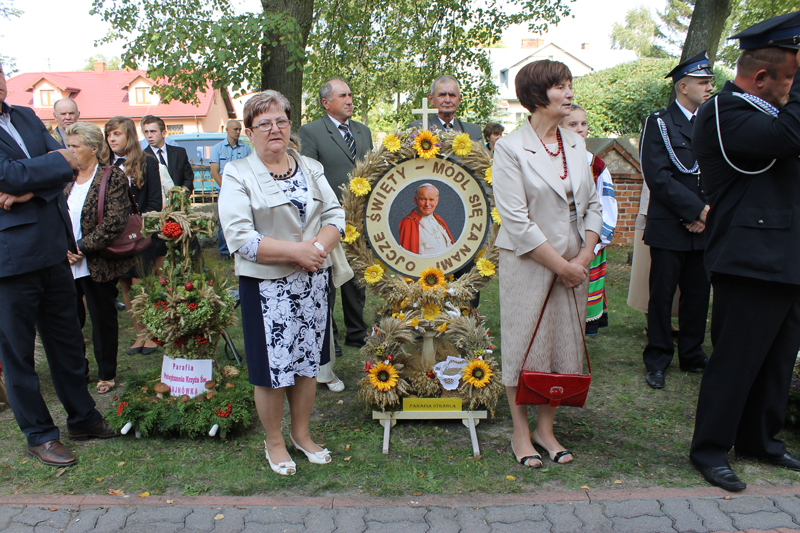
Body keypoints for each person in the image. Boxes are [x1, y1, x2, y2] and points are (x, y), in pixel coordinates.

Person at [689, 13, 800, 492]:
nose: (791, 88)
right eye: (791, 78)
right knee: (736, 360)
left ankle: (760, 440)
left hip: (786, 253)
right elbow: (788, 139)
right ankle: (710, 449)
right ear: (760, 77)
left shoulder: (770, 111)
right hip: (749, 256)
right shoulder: (725, 111)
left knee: (777, 359)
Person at [219, 90, 344, 475]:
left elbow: (335, 215)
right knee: (272, 370)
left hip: (313, 282)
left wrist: (317, 249)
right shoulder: (238, 173)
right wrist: (297, 253)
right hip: (266, 289)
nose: (275, 129)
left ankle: (301, 435)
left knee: (307, 363)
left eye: (281, 121)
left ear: (290, 125)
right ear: (249, 131)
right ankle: (274, 441)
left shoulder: (310, 167)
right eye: (264, 124)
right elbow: (239, 237)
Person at [0, 62, 116, 467]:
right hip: (10, 260)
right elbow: (9, 175)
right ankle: (40, 435)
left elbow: (70, 164)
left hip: (53, 249)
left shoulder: (26, 115)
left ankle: (83, 418)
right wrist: (37, 174)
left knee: (67, 341)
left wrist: (29, 190)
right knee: (18, 354)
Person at [493, 60, 602, 468]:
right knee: (523, 346)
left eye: (570, 84)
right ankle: (521, 434)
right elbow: (516, 221)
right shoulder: (509, 148)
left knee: (561, 347)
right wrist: (561, 266)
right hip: (530, 262)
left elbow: (593, 205)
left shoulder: (575, 144)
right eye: (560, 86)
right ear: (537, 95)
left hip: (574, 263)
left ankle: (546, 430)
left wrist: (584, 257)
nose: (569, 93)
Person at [640, 52, 714, 390]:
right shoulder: (660, 123)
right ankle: (657, 358)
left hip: (703, 226)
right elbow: (658, 177)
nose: (709, 87)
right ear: (683, 87)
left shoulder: (711, 122)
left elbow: (720, 173)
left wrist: (706, 213)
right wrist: (695, 211)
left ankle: (692, 354)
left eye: (709, 82)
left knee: (698, 295)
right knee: (662, 295)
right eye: (703, 82)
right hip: (670, 225)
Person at [298, 79, 371, 362]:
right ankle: (329, 335)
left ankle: (357, 332)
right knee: (327, 279)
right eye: (343, 95)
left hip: (360, 218)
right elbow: (309, 176)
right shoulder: (311, 132)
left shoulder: (363, 131)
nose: (349, 99)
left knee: (357, 277)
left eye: (350, 94)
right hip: (327, 219)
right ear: (326, 102)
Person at [64, 123, 135, 394]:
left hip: (96, 261)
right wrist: (64, 248)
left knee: (102, 319)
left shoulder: (111, 175)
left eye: (75, 146)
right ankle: (77, 371)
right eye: (68, 145)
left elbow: (115, 220)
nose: (70, 151)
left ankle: (106, 373)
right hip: (65, 262)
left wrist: (81, 247)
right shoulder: (66, 177)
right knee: (69, 321)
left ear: (94, 148)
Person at [103, 116, 162, 355]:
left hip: (142, 234)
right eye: (108, 135)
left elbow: (155, 202)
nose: (112, 139)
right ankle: (140, 334)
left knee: (141, 284)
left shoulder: (147, 161)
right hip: (114, 237)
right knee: (125, 284)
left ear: (129, 135)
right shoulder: (104, 164)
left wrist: (139, 231)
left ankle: (152, 333)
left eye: (117, 134)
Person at [561, 104, 618, 335]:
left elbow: (607, 207)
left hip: (589, 241)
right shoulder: (550, 161)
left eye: (584, 124)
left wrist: (594, 246)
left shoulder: (596, 166)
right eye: (573, 124)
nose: (580, 128)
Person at [142, 115, 201, 270]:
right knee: (161, 247)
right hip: (157, 210)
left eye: (153, 131)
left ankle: (195, 269)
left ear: (164, 132)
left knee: (189, 242)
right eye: (146, 132)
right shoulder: (142, 157)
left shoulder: (179, 152)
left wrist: (181, 197)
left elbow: (188, 177)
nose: (149, 135)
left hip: (179, 208)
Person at [211, 119, 251, 260]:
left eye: (239, 129)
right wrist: (227, 188)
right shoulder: (217, 149)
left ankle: (240, 249)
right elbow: (214, 171)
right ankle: (224, 251)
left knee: (243, 219)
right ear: (227, 130)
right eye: (235, 129)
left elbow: (249, 169)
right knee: (223, 221)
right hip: (224, 190)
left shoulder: (246, 148)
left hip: (242, 190)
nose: (238, 132)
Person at [408, 75, 483, 141]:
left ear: (459, 99)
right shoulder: (418, 129)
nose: (447, 100)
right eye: (442, 95)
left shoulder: (474, 132)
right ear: (431, 99)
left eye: (452, 95)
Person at [398, 183, 455, 255]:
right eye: (423, 199)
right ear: (415, 200)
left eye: (431, 200)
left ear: (437, 201)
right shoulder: (408, 223)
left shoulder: (439, 220)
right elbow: (407, 256)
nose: (427, 204)